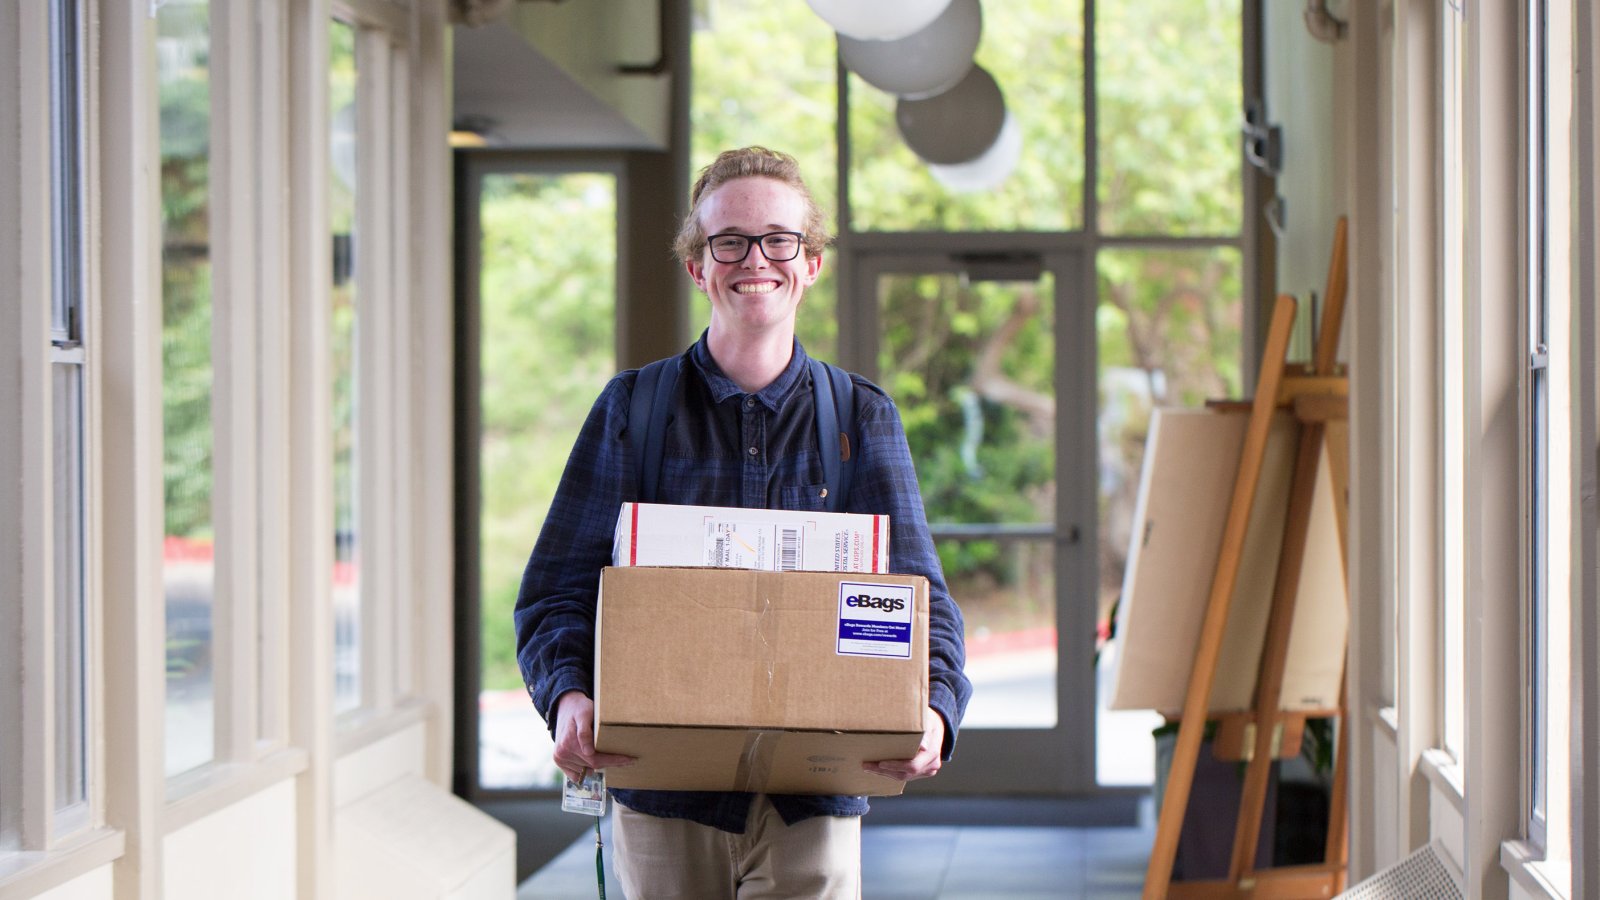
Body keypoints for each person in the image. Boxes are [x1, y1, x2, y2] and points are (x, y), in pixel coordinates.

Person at [513, 146, 971, 898]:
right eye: (729, 241)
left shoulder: (860, 417)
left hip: (813, 800)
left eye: (778, 239)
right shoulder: (634, 411)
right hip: (664, 798)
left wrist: (936, 711)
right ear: (698, 266)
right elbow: (555, 593)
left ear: (811, 262)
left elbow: (921, 600)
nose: (755, 258)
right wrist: (569, 697)